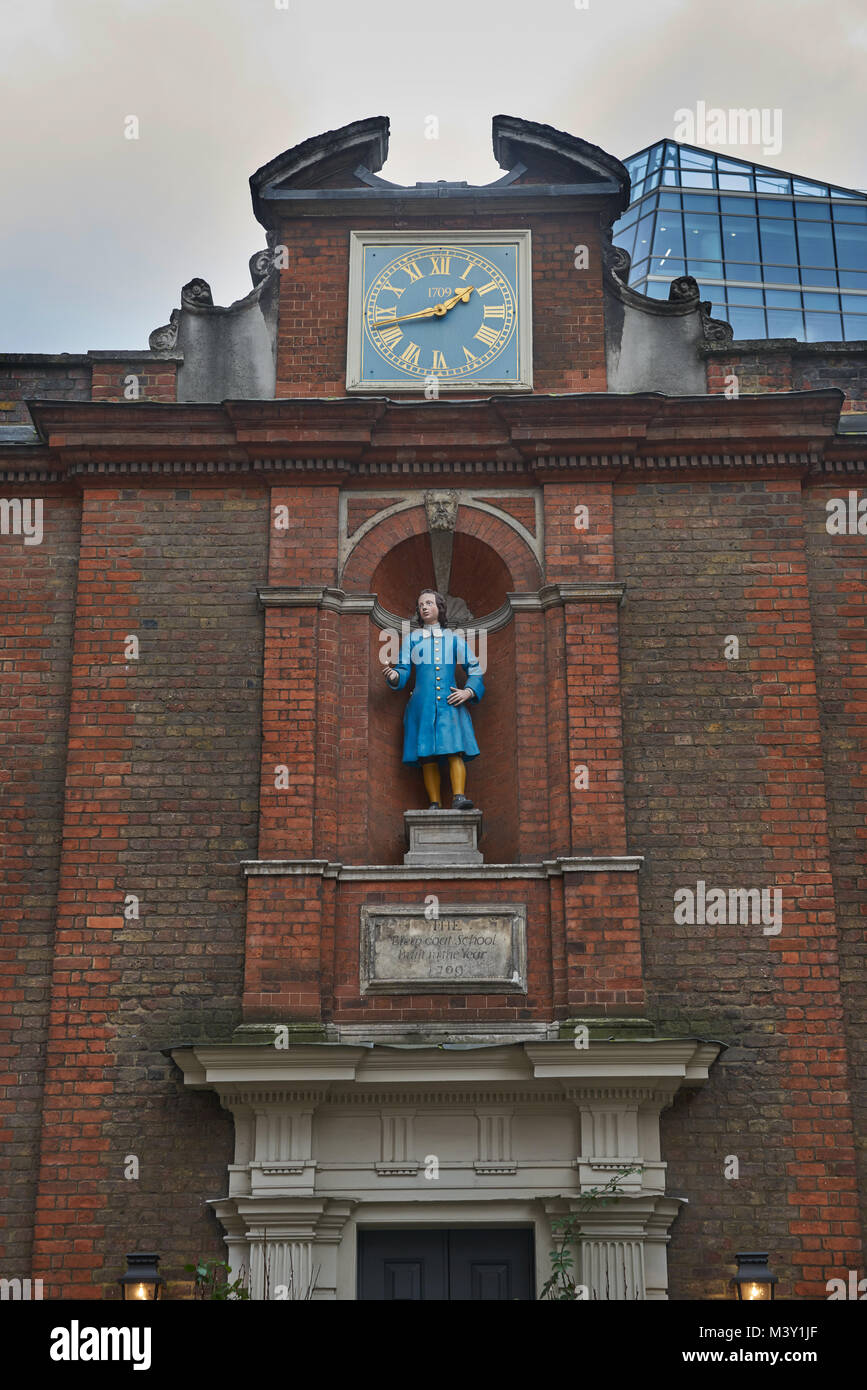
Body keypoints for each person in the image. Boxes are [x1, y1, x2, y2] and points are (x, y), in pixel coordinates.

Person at [382, 589, 484, 810]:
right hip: (422, 706)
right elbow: (403, 669)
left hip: (449, 704)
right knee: (426, 754)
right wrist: (395, 676)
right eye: (420, 605)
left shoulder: (453, 639)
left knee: (454, 749)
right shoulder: (412, 639)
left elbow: (475, 669)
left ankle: (459, 797)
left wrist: (468, 692)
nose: (424, 608)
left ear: (439, 607)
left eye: (429, 603)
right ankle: (434, 802)